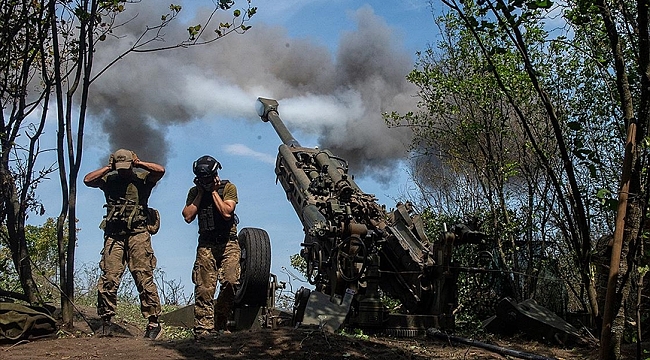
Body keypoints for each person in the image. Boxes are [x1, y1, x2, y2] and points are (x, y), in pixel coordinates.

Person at [83, 148, 165, 340]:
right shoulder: (109, 180)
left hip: (138, 234)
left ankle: (154, 323)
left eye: (126, 167)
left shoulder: (142, 179)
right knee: (109, 278)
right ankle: (106, 322)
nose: (123, 171)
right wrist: (108, 168)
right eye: (120, 168)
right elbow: (87, 180)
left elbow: (160, 171)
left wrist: (140, 163)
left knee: (143, 278)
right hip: (114, 235)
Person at [182, 155, 240, 339]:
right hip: (206, 244)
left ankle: (220, 322)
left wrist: (214, 192)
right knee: (204, 288)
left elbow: (226, 212)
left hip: (228, 242)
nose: (205, 181)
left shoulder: (228, 188)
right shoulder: (194, 192)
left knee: (231, 281)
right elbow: (188, 216)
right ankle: (203, 329)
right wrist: (200, 193)